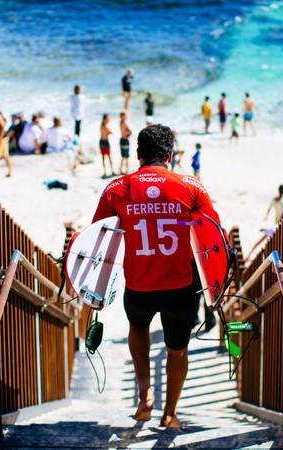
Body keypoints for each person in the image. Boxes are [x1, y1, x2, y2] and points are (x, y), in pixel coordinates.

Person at [92, 124, 223, 429]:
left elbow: (97, 238)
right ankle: (170, 413)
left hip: (138, 283)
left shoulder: (116, 189)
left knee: (137, 327)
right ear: (170, 155)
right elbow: (214, 239)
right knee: (177, 349)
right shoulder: (192, 187)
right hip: (180, 285)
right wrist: (215, 290)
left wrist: (94, 290)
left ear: (137, 154)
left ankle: (144, 395)